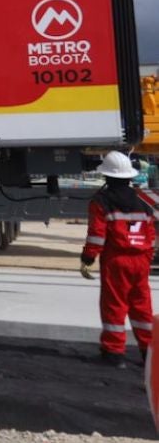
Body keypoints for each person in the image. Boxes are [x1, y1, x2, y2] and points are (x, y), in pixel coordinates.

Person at [81, 150, 154, 368]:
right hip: (141, 260)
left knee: (114, 305)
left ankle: (114, 353)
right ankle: (148, 352)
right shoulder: (142, 203)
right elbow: (150, 236)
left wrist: (88, 257)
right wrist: (146, 259)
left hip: (117, 260)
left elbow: (97, 234)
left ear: (106, 176)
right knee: (142, 306)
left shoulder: (101, 201)